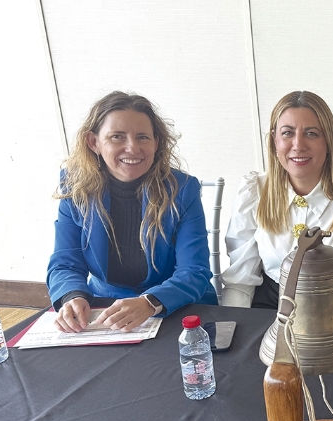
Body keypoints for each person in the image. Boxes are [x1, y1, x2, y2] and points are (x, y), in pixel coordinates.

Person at [48, 91, 217, 333]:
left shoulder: (182, 189)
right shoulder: (75, 189)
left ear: (156, 143)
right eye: (117, 137)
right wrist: (72, 296)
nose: (132, 147)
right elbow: (65, 263)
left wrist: (150, 302)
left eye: (142, 137)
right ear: (93, 142)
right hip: (105, 311)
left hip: (178, 309)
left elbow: (195, 271)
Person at [221, 91, 333, 312]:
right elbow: (240, 284)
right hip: (267, 311)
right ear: (274, 141)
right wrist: (233, 329)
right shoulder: (254, 191)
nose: (298, 145)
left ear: (329, 141)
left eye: (311, 133)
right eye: (287, 133)